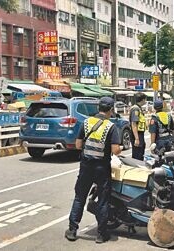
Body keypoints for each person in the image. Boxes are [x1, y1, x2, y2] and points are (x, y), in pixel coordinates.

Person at [65, 97, 122, 243]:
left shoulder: (86, 122)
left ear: (98, 109)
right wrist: (120, 148)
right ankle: (101, 234)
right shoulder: (111, 127)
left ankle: (72, 230)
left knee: (79, 197)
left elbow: (78, 145)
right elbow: (115, 150)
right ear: (110, 110)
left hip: (85, 166)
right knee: (103, 200)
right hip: (102, 168)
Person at [129, 92, 147, 160]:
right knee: (137, 155)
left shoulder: (139, 108)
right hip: (137, 134)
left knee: (141, 152)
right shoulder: (135, 109)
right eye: (145, 99)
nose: (145, 101)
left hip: (139, 134)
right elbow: (134, 124)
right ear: (142, 100)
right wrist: (137, 139)